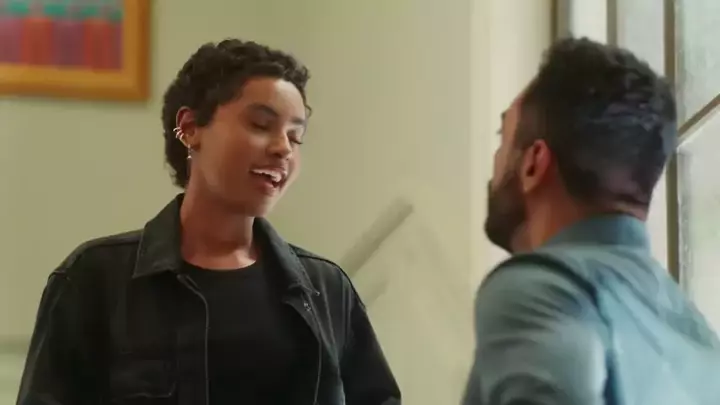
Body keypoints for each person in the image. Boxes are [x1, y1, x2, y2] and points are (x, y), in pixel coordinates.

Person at [17, 39, 400, 405]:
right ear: (189, 128)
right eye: (260, 124)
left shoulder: (326, 290)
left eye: (295, 137)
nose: (283, 148)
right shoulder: (95, 278)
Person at [463, 37, 720, 405]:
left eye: (502, 138)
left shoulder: (539, 289)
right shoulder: (699, 338)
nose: (494, 163)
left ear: (534, 163)